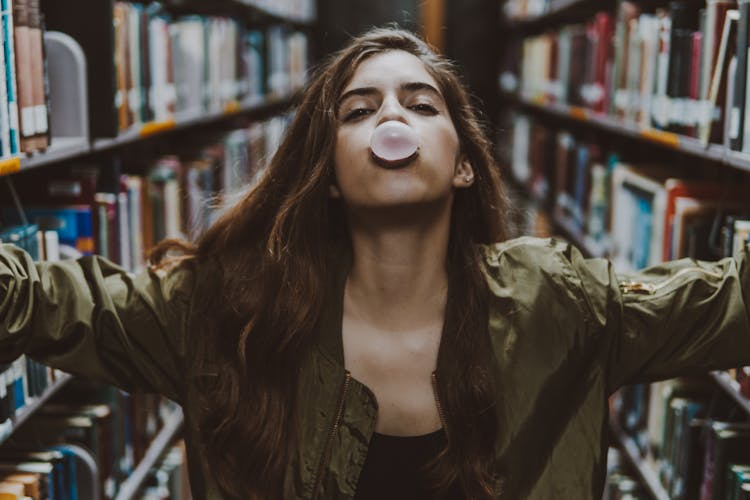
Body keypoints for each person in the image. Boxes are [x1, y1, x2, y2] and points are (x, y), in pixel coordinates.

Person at [0, 26, 749, 500]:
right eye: (358, 112)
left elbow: (730, 304)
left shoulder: (559, 303)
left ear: (463, 165)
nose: (392, 118)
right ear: (327, 171)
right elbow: (39, 298)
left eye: (422, 105)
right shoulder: (227, 310)